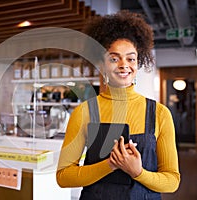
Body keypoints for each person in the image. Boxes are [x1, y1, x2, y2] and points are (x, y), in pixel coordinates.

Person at [56, 10, 180, 200]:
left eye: (131, 58)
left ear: (138, 64)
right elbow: (63, 177)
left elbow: (172, 181)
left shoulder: (160, 114)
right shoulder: (84, 112)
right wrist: (111, 164)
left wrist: (138, 172)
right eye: (114, 58)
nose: (124, 64)